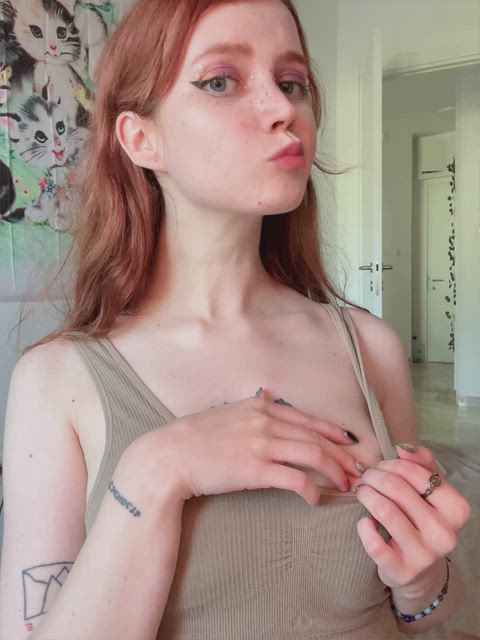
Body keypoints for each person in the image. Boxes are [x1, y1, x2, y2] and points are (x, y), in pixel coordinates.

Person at [0, 1, 472, 639]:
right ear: (141, 139)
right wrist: (156, 472)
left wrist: (421, 581)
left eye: (292, 82)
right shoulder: (56, 381)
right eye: (220, 81)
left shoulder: (371, 347)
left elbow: (428, 614)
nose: (283, 109)